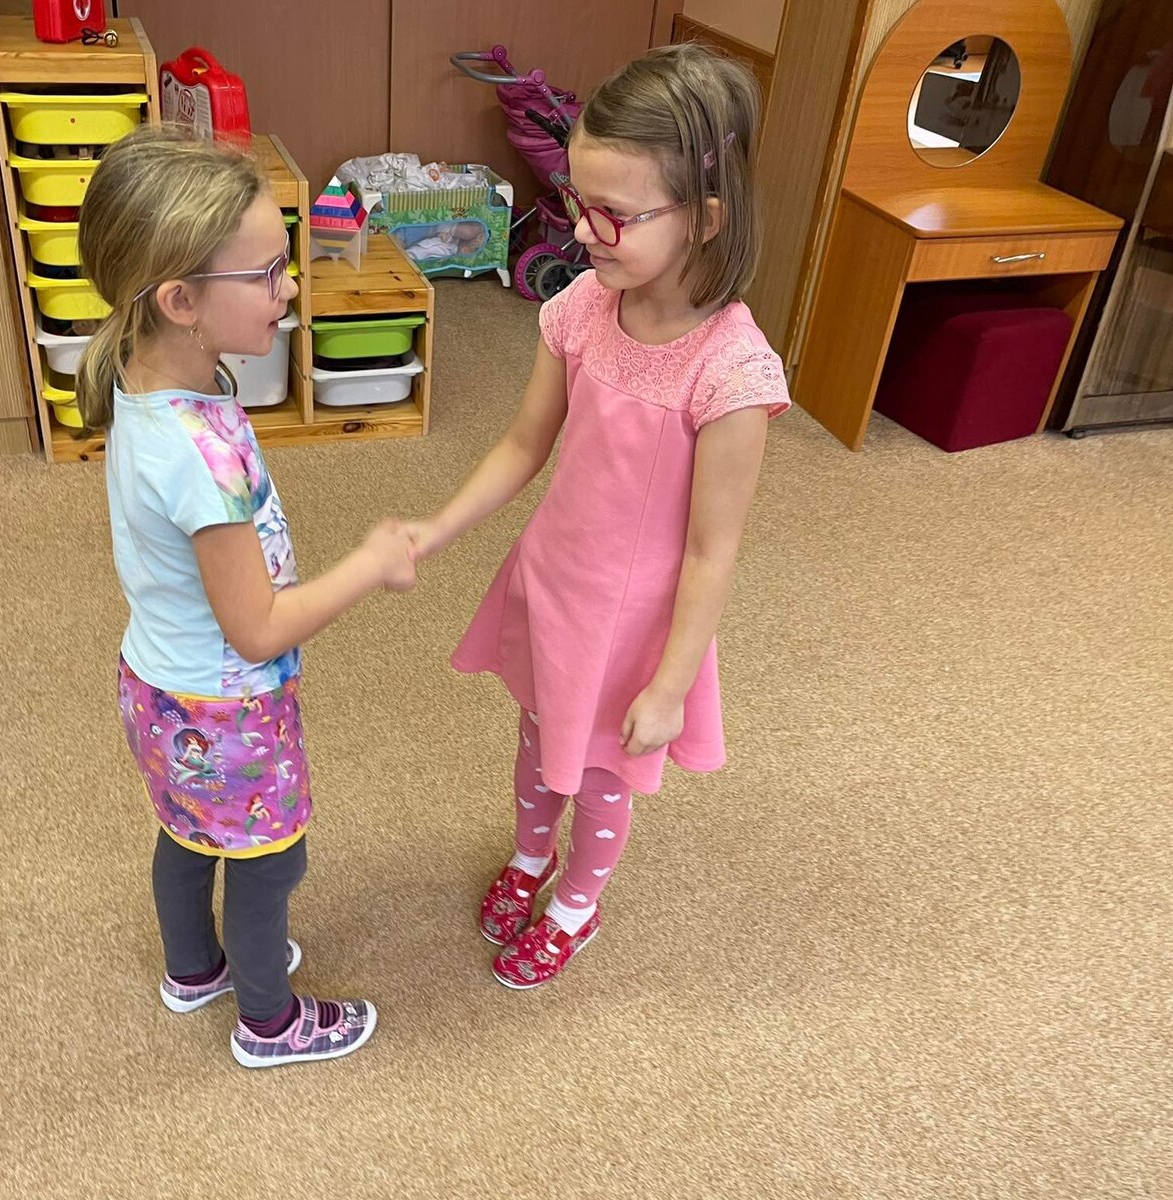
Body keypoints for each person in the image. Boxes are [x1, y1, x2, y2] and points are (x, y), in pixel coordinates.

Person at [408, 45, 790, 989]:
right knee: (540, 742)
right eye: (580, 202)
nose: (584, 231)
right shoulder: (583, 305)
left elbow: (711, 552)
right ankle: (530, 856)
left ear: (705, 217)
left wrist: (671, 683)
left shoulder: (733, 373)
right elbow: (522, 445)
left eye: (615, 214)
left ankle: (578, 902)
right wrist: (435, 528)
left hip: (633, 624)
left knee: (604, 774)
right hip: (555, 582)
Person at [77, 127, 415, 1065]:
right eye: (267, 274)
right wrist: (367, 564)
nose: (291, 287)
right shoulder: (200, 457)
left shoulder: (150, 389)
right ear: (180, 301)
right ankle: (270, 1022)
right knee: (271, 863)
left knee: (187, 835)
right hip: (228, 708)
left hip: (157, 685)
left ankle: (194, 968)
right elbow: (258, 628)